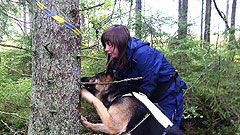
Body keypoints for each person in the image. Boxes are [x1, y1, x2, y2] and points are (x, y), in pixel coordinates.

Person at [100, 24, 187, 128]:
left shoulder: (143, 54)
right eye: (105, 45)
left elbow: (148, 84)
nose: (106, 49)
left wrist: (131, 106)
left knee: (167, 129)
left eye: (110, 45)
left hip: (168, 95)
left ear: (120, 43)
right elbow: (119, 83)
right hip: (150, 96)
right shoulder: (117, 58)